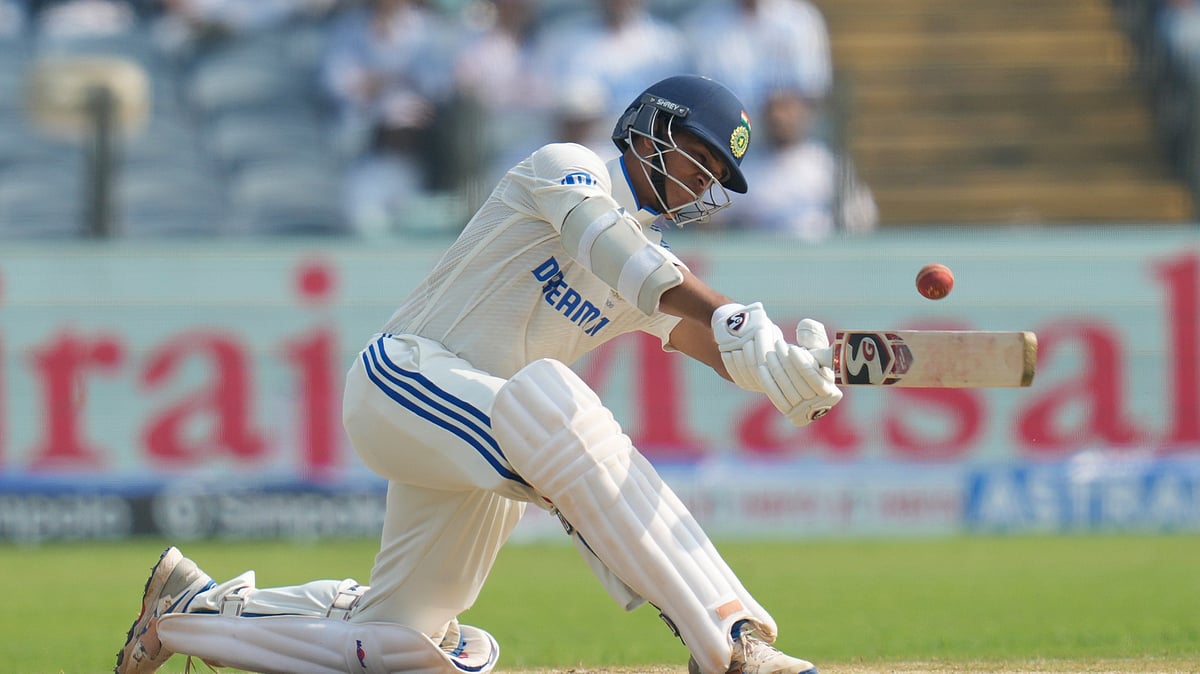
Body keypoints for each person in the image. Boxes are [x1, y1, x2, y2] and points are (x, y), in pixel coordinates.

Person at [114, 74, 843, 674]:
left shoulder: (651, 266)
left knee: (402, 644)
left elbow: (698, 334)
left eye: (716, 177)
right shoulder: (568, 167)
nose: (700, 184)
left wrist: (781, 367)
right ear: (652, 128)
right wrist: (728, 315)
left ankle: (189, 612)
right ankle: (733, 640)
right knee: (557, 402)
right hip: (404, 381)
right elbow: (615, 251)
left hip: (485, 437)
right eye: (698, 158)